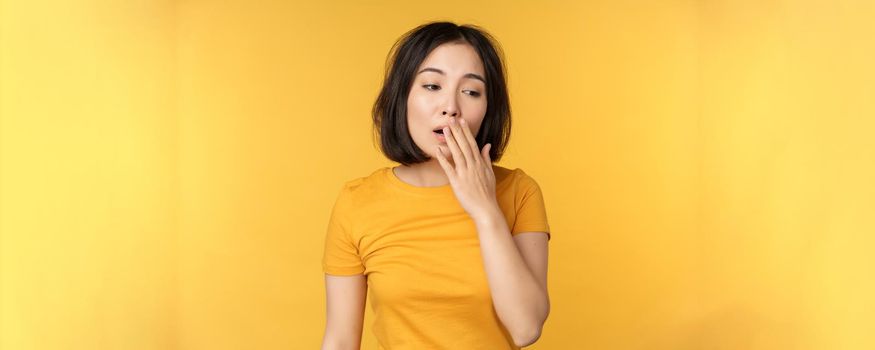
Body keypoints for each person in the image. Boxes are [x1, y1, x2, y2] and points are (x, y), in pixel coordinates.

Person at [321, 21, 551, 350]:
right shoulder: (357, 202)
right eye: (432, 86)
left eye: (471, 91)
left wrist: (485, 209)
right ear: (402, 97)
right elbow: (341, 340)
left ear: (488, 109)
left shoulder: (519, 191)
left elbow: (526, 328)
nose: (451, 106)